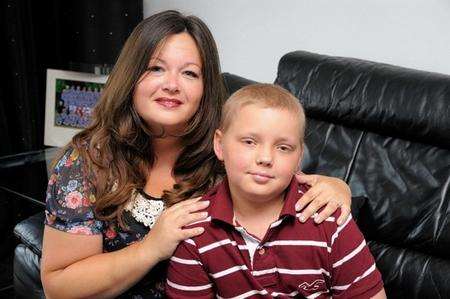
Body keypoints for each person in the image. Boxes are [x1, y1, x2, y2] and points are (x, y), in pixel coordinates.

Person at [41, 10, 352, 299]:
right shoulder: (87, 163)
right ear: (131, 77)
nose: (172, 85)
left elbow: (281, 171)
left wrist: (338, 188)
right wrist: (150, 249)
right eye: (156, 68)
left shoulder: (225, 150)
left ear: (206, 87)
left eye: (190, 74)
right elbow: (59, 286)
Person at [166, 84, 386, 298]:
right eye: (250, 141)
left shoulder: (329, 219)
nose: (265, 158)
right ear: (220, 145)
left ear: (299, 157)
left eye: (283, 147)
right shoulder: (195, 232)